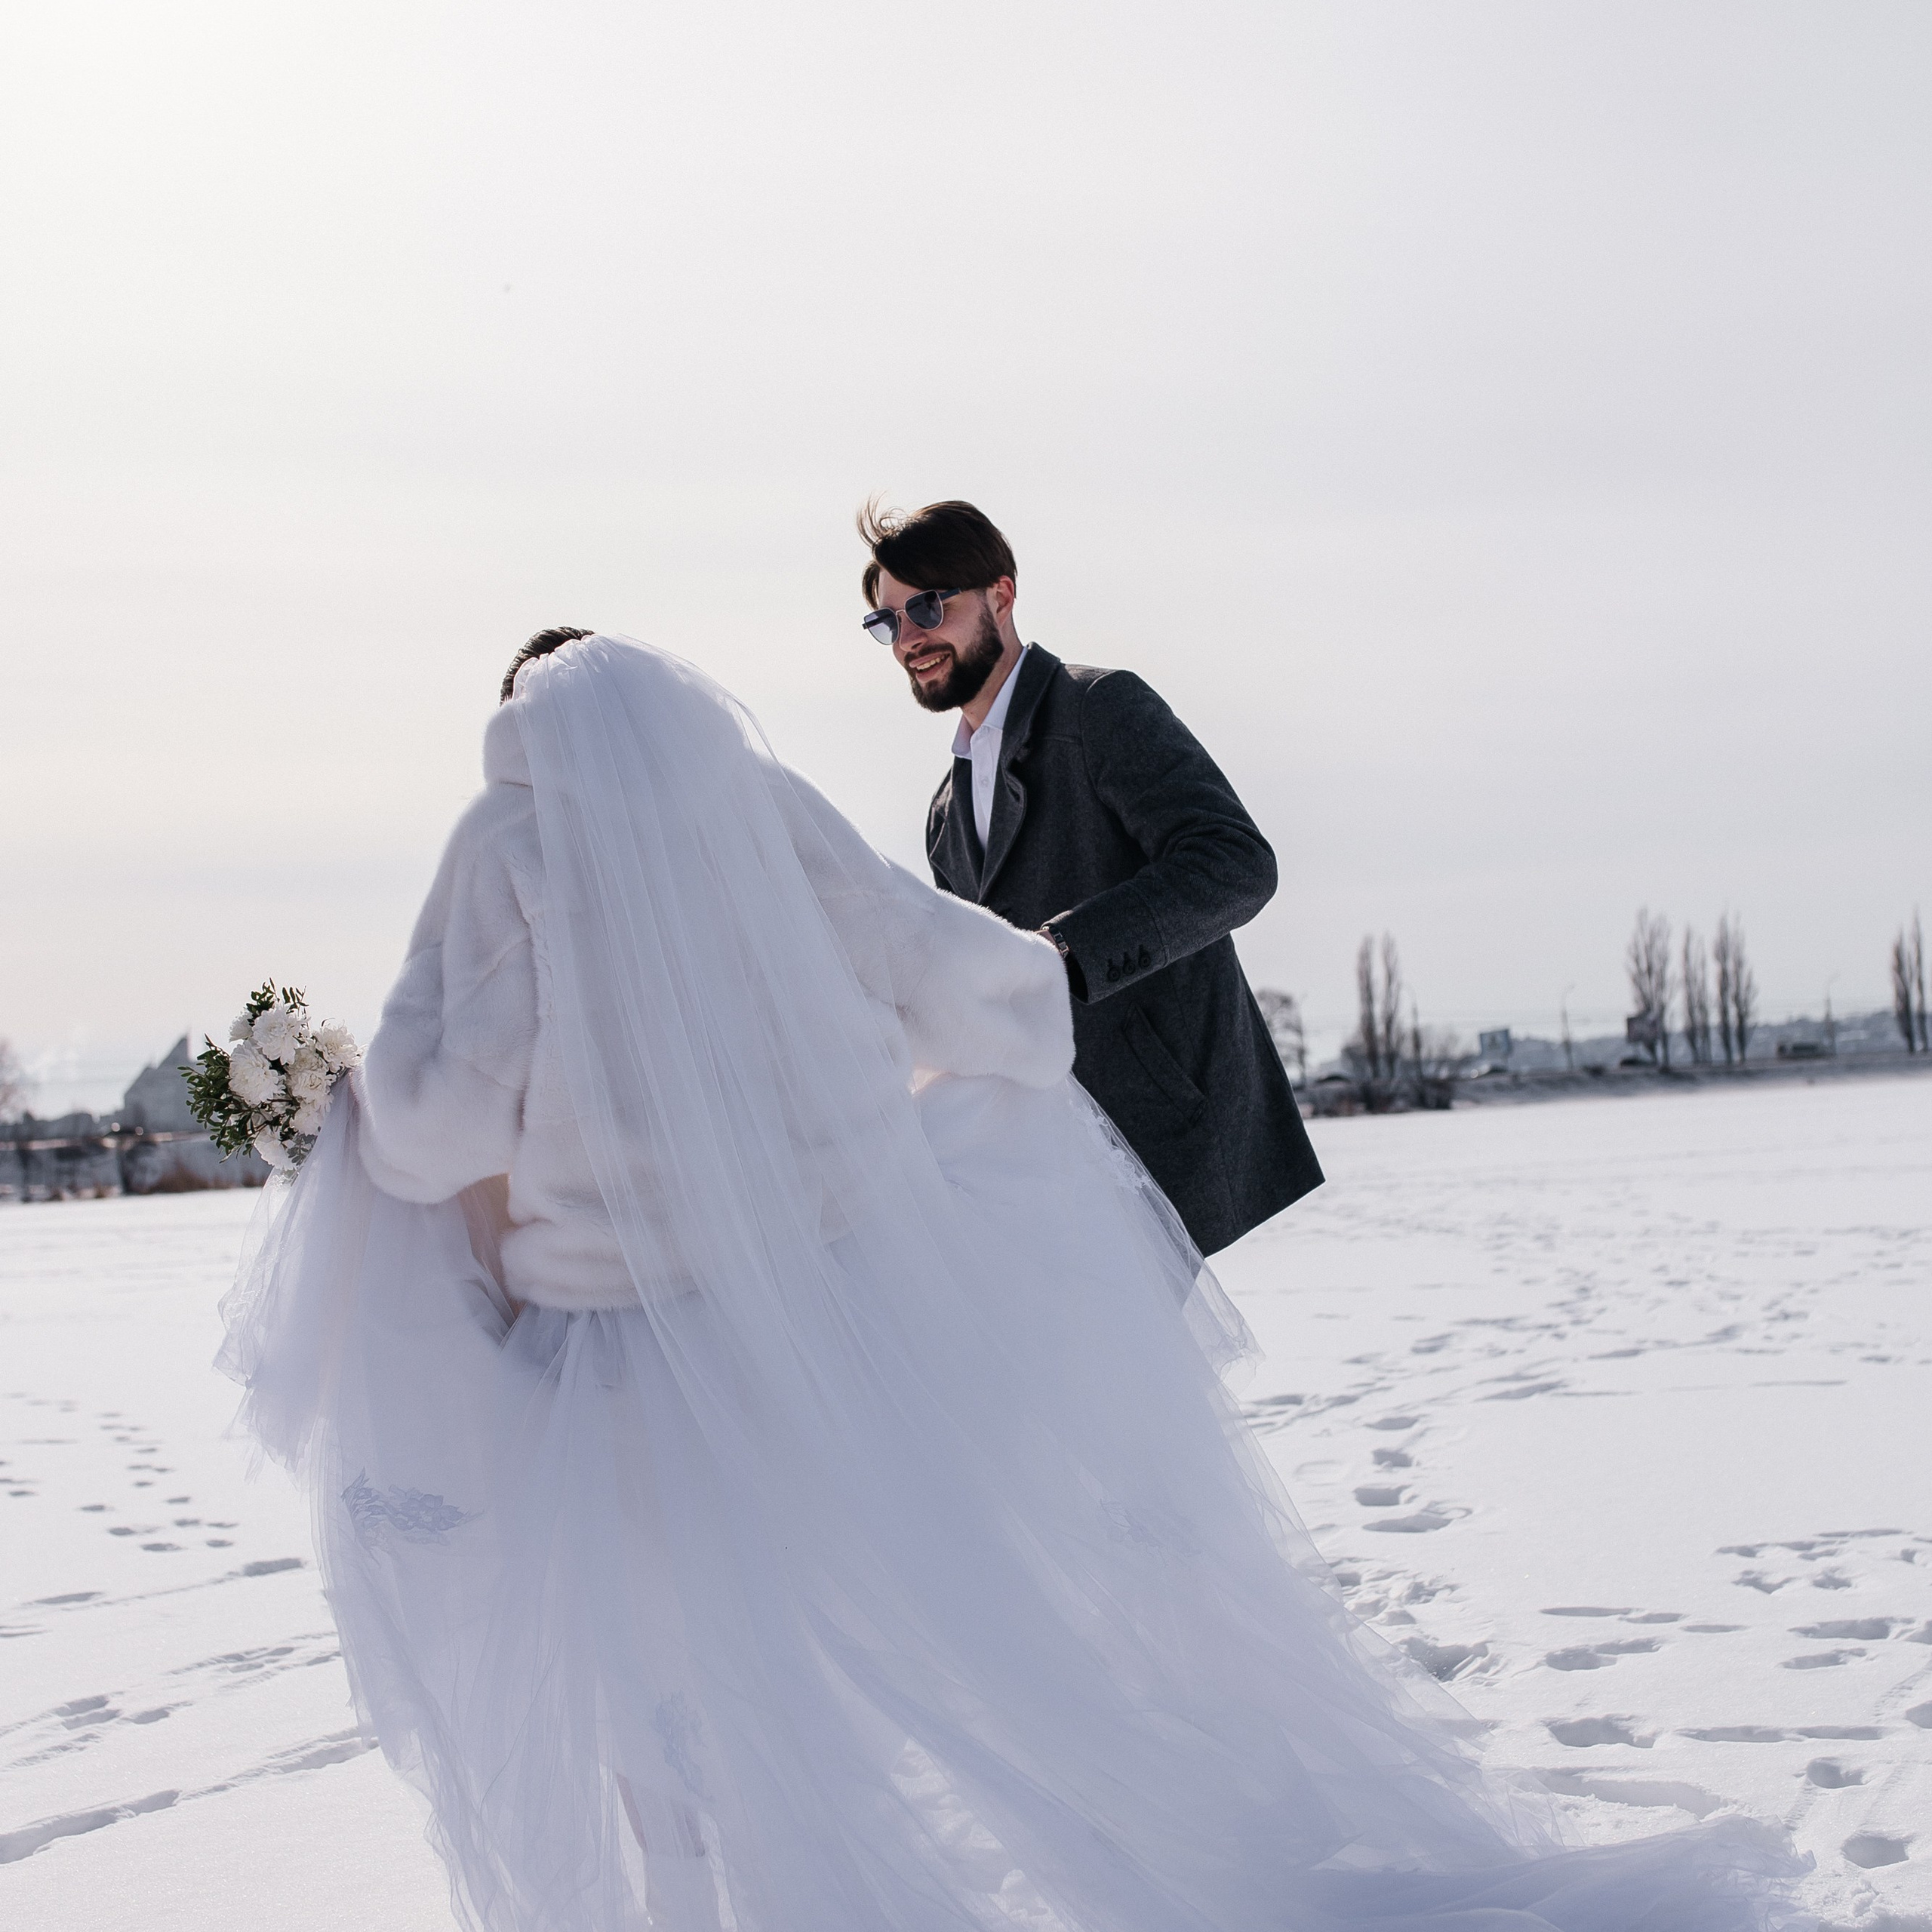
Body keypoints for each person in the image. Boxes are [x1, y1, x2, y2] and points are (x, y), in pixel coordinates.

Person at [220, 631, 1806, 1932]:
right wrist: (1003, 1046)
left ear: (515, 726)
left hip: (625, 1366)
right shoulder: (760, 810)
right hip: (837, 1322)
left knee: (665, 1689)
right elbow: (947, 969)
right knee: (869, 1666)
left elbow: (432, 1127)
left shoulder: (506, 843)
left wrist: (335, 1100)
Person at [860, 499, 1321, 1255]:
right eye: (888, 623)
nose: (908, 638)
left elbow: (1236, 864)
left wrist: (1062, 954)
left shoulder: (1100, 708)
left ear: (1000, 596)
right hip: (1040, 1159)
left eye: (928, 607)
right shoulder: (945, 811)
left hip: (1160, 1135)